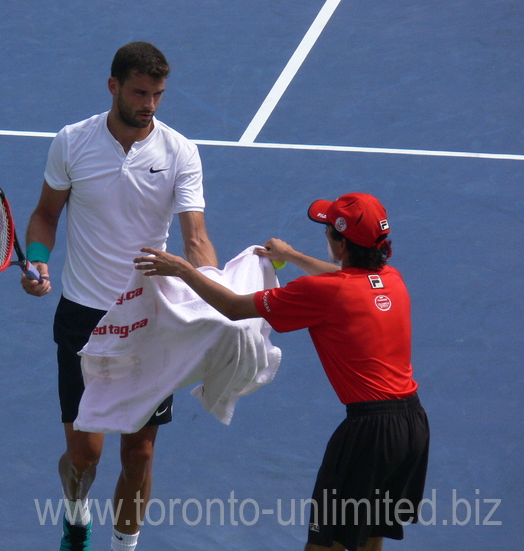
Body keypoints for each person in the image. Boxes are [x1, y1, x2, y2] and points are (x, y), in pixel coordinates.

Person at [134, 193, 429, 551]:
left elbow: (232, 307)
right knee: (368, 537)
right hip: (412, 427)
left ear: (341, 242)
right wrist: (291, 257)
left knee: (325, 545)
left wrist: (184, 270)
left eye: (328, 232)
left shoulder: (321, 293)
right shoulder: (391, 279)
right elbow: (344, 275)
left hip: (368, 434)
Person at [21, 41, 218, 551]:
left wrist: (218, 291)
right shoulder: (71, 142)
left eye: (157, 94)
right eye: (139, 92)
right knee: (85, 456)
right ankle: (75, 511)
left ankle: (124, 547)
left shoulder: (180, 152)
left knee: (141, 455)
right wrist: (38, 257)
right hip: (83, 316)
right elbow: (45, 214)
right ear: (113, 87)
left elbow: (195, 237)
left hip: (149, 321)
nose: (149, 103)